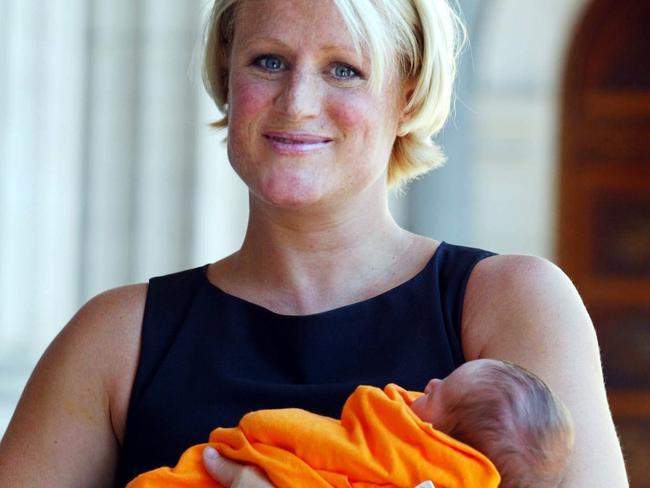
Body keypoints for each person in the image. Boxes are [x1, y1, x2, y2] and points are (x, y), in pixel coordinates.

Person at [0, 0, 628, 487]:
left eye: (344, 69)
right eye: (268, 61)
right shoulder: (112, 341)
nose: (298, 103)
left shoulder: (513, 304)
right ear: (226, 74)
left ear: (406, 94)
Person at [125, 359, 573, 488]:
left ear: (444, 441)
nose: (430, 382)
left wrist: (264, 436)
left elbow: (319, 443)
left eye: (440, 392)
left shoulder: (400, 448)